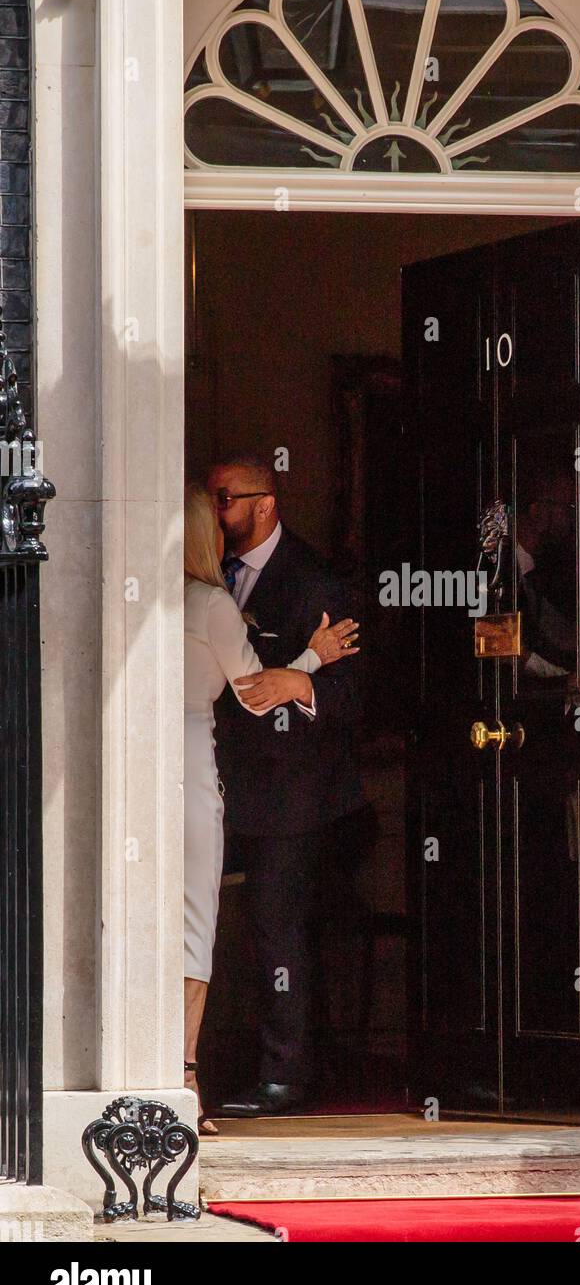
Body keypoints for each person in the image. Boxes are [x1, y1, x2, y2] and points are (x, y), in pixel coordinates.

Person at [182, 484, 358, 1133]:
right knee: (193, 930)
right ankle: (181, 1078)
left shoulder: (145, 594)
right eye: (215, 503)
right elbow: (257, 693)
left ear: (265, 501)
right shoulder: (209, 603)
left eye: (230, 494)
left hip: (174, 775)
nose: (224, 511)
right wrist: (315, 657)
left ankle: (168, 1073)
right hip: (197, 777)